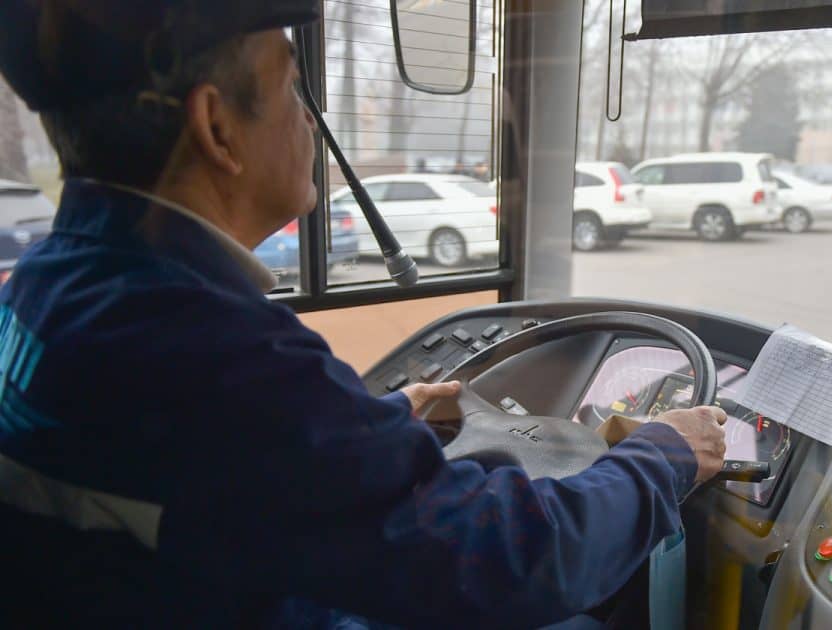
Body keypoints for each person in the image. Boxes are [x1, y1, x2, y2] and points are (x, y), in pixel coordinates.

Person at [0, 1, 728, 628]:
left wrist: (365, 425)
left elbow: (206, 469)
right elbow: (510, 562)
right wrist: (659, 455)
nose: (311, 124)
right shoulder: (224, 359)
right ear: (217, 128)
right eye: (294, 89)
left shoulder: (38, 292)